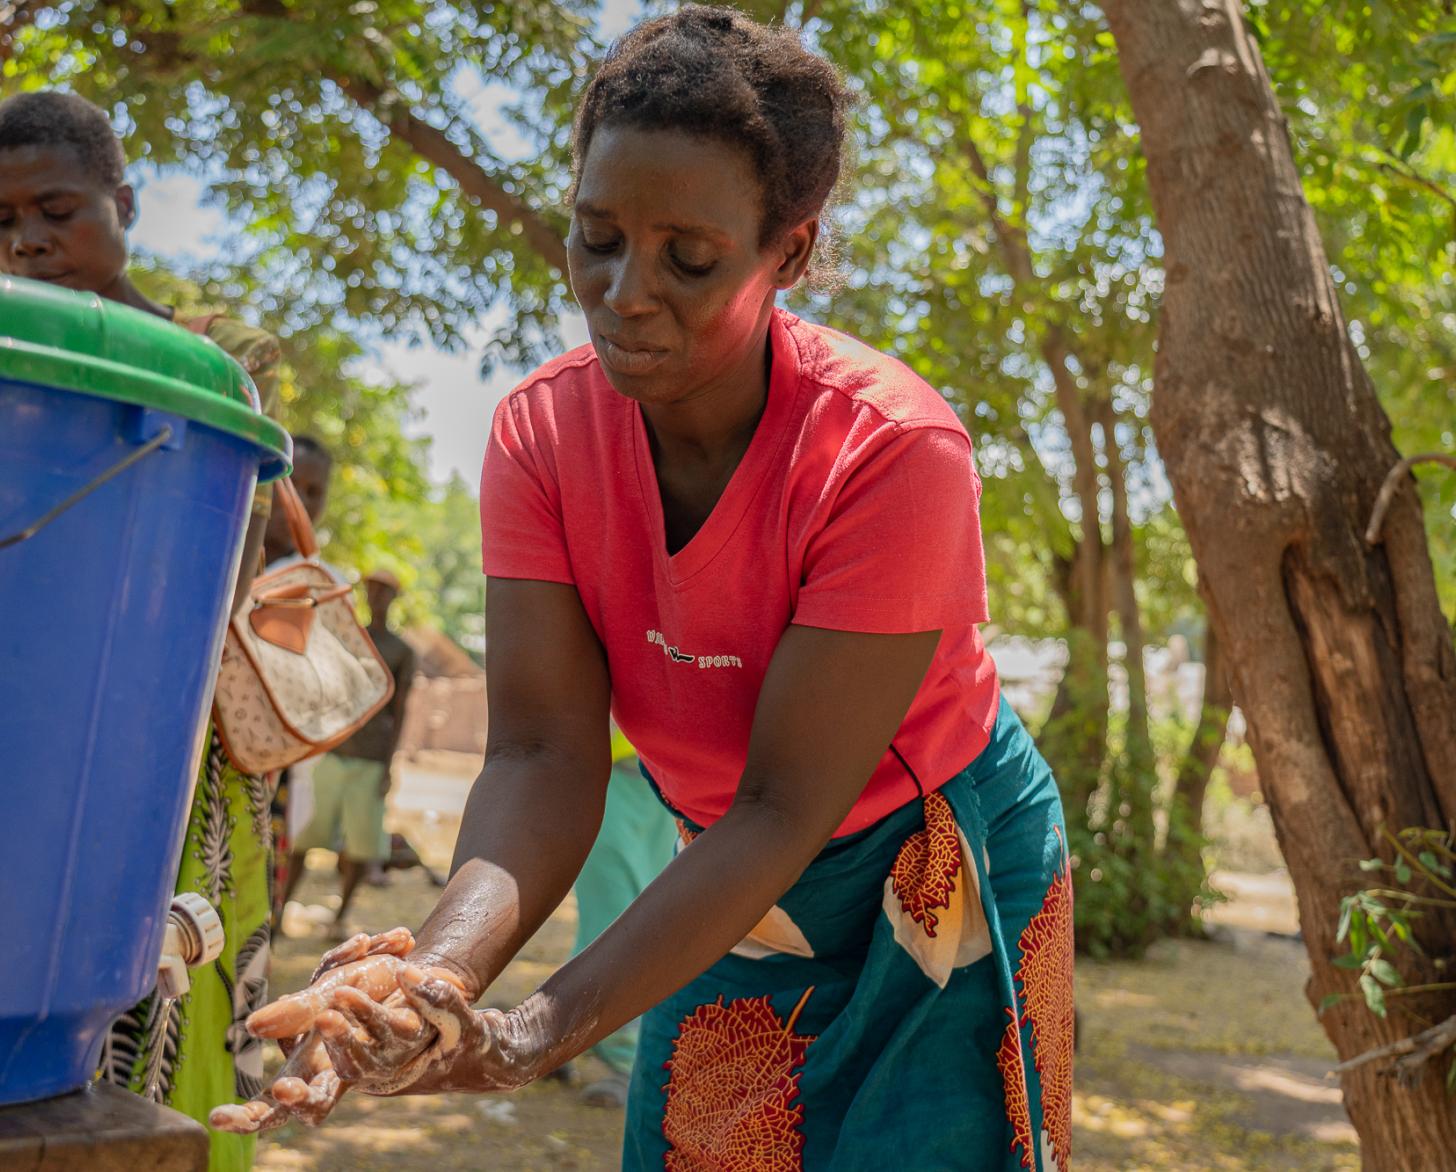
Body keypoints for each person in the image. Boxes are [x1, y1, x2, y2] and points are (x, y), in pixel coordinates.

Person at [216, 9, 1073, 1170]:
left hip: (933, 861)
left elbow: (784, 802)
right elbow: (540, 757)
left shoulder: (888, 452)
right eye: (596, 238)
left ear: (792, 251)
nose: (623, 291)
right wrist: (438, 975)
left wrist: (532, 1031)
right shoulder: (541, 438)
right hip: (728, 868)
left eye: (689, 257)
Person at [0, 91, 281, 1172]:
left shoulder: (218, 356)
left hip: (176, 758)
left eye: (58, 208)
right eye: (5, 217)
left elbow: (220, 568)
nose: (28, 237)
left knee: (163, 1003)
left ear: (122, 203)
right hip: (26, 727)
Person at [283, 569, 416, 939]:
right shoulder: (348, 639)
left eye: (385, 591)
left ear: (393, 599)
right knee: (306, 838)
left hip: (371, 758)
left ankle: (340, 916)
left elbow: (400, 709)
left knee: (360, 846)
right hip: (335, 749)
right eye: (372, 589)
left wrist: (390, 765)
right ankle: (279, 914)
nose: (377, 596)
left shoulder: (402, 651)